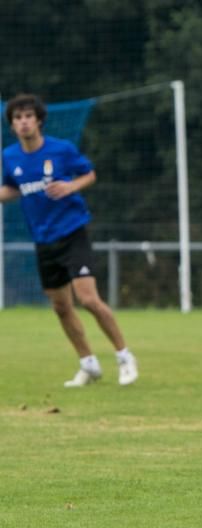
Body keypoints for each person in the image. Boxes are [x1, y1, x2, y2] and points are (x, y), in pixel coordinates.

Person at [1, 93, 138, 387]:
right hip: (43, 239)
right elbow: (13, 189)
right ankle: (88, 365)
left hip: (72, 232)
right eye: (17, 118)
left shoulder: (61, 150)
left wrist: (71, 186)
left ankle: (124, 356)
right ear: (12, 125)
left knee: (88, 299)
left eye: (28, 116)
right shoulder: (10, 157)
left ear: (38, 120)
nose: (23, 122)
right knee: (61, 307)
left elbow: (89, 174)